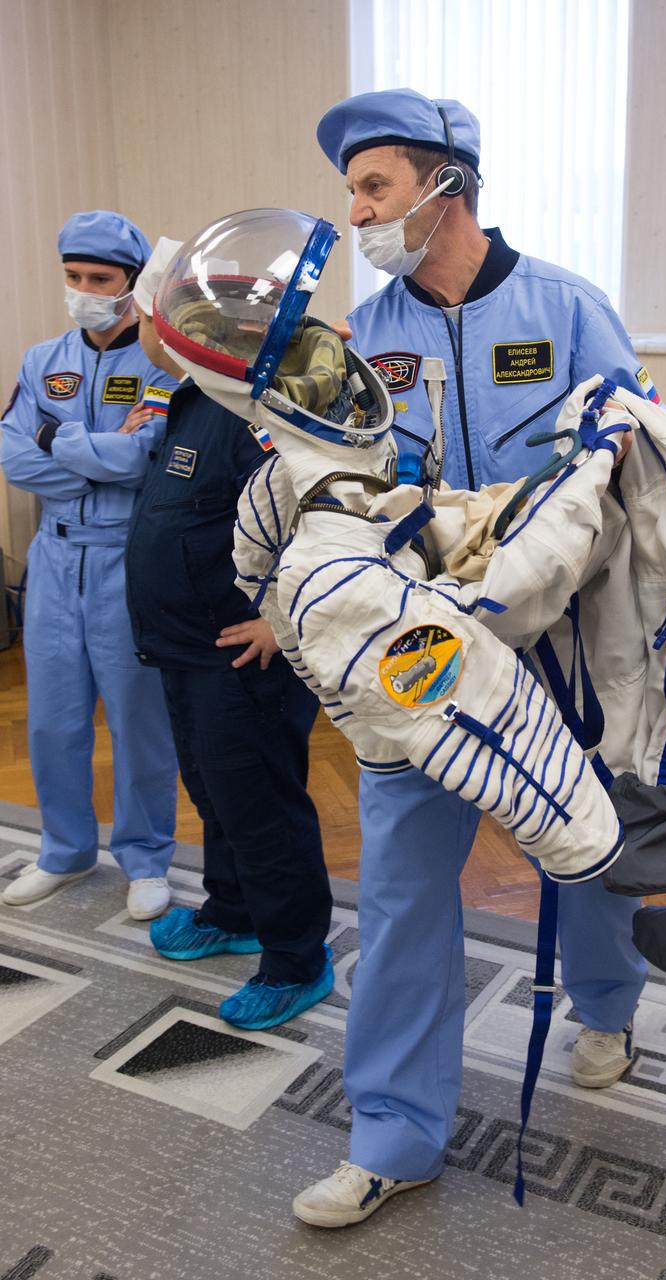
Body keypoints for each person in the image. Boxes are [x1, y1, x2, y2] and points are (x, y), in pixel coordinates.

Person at [291, 88, 656, 1226]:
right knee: (400, 887)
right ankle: (393, 1131)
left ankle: (605, 1002)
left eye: (373, 187)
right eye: (352, 190)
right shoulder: (371, 332)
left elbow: (637, 472)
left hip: (559, 644)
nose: (356, 212)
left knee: (584, 844)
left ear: (446, 184)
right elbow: (340, 480)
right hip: (424, 650)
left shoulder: (569, 307)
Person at [124, 238, 333, 1030]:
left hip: (241, 652)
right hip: (184, 646)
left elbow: (327, 516)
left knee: (259, 804)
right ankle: (233, 909)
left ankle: (295, 957)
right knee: (214, 794)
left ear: (167, 322)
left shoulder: (261, 405)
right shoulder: (193, 396)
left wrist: (279, 618)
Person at [0, 210, 178, 921]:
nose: (82, 290)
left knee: (139, 720)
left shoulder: (162, 360)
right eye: (73, 277)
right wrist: (98, 455)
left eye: (98, 279)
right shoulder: (42, 360)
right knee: (52, 720)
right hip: (53, 560)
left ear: (132, 284)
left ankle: (146, 858)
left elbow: (149, 459)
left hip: (129, 561)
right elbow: (15, 458)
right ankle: (64, 851)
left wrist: (59, 440)